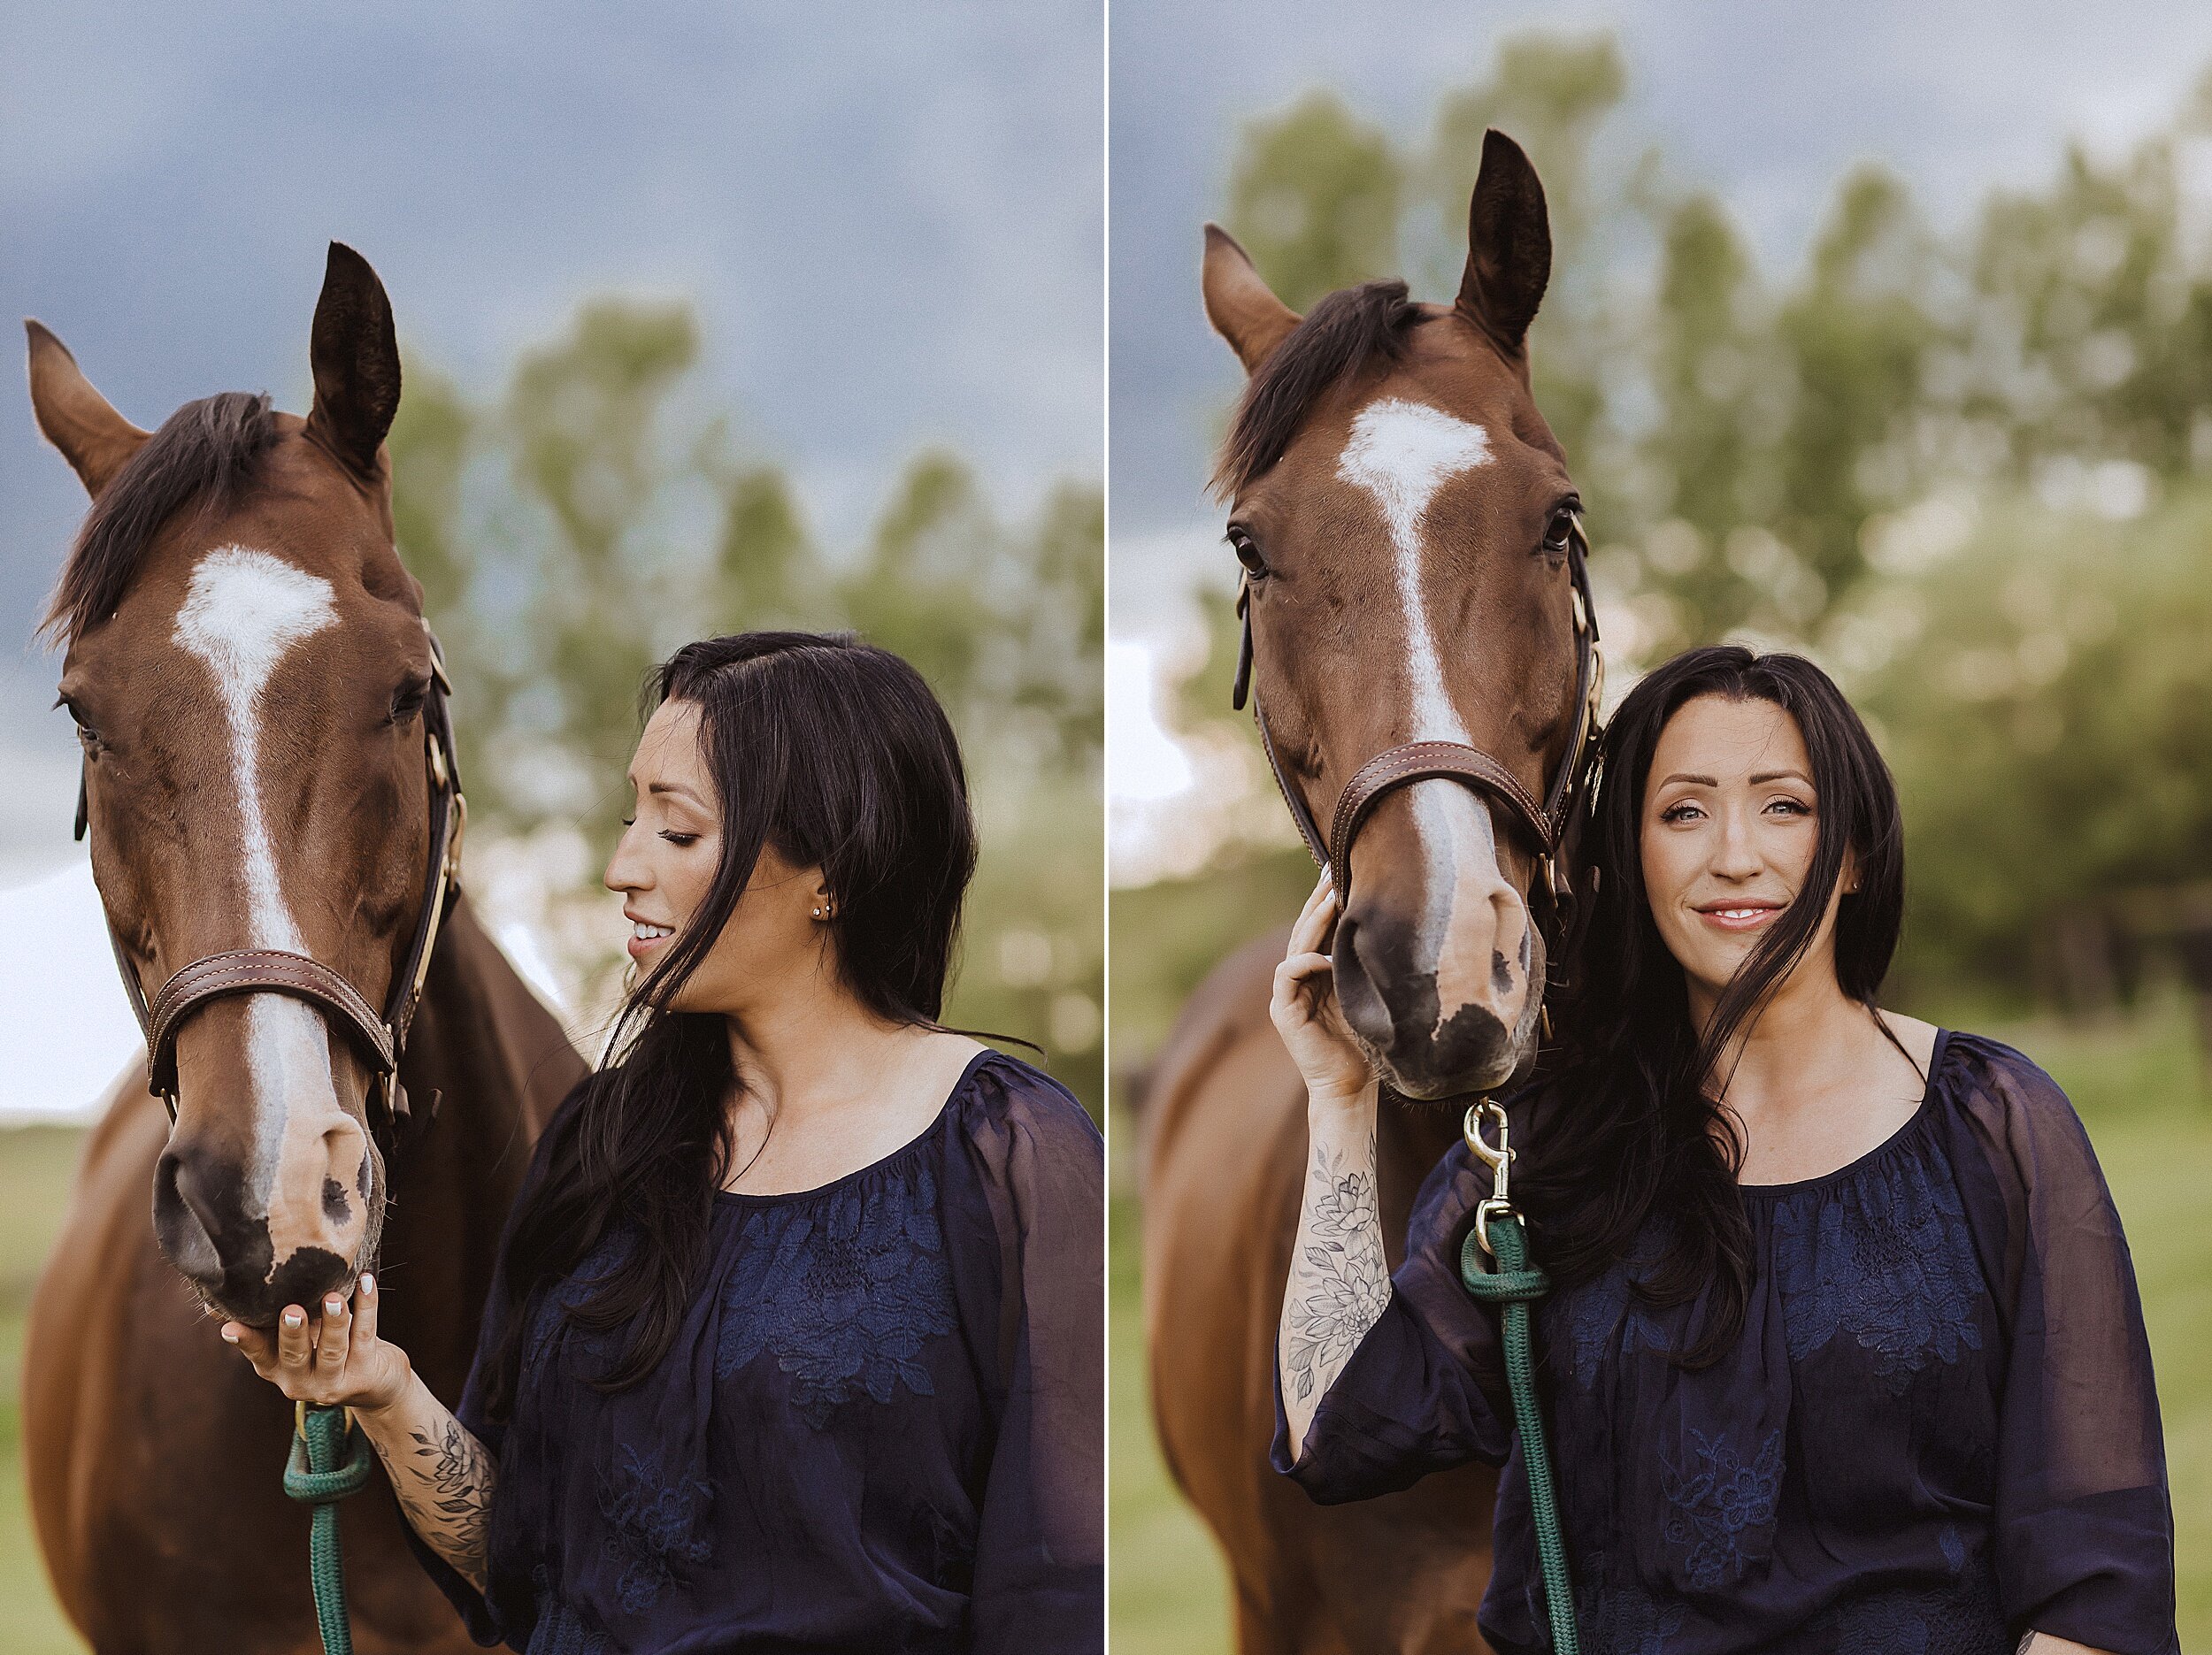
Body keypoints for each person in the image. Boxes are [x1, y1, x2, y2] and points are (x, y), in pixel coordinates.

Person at [1270, 645, 2175, 1655]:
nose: (1733, 853)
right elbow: (1337, 1429)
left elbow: (2097, 1573)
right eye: (1683, 811)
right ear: (1624, 856)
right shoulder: (1543, 1150)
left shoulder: (1993, 1123)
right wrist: (1339, 1100)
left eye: (1783, 805)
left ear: (1853, 852)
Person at [222, 631, 1104, 1653]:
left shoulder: (1009, 1154)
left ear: (831, 872)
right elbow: (514, 1563)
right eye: (629, 815)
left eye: (676, 832)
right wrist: (379, 1386)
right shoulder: (601, 1145)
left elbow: (1056, 1589)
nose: (620, 866)